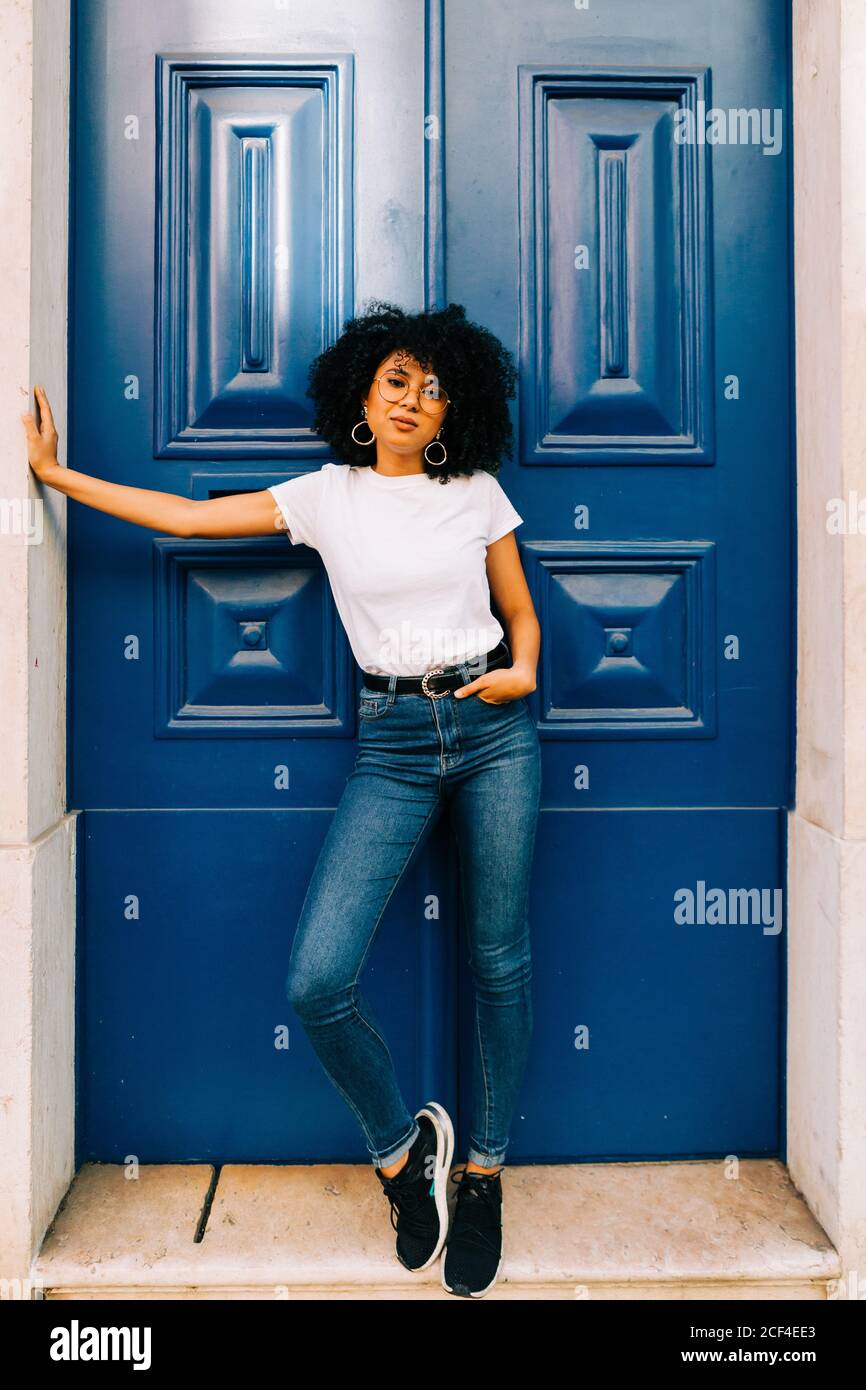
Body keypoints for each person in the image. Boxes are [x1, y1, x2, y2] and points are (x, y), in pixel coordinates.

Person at [21, 300, 542, 1299]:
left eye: (431, 390)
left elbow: (519, 615)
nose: (410, 400)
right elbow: (184, 517)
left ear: (451, 414)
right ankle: (402, 1158)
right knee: (316, 979)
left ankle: (483, 1175)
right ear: (361, 390)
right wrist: (54, 476)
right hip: (390, 743)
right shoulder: (326, 497)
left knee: (498, 961)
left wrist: (520, 669)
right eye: (395, 379)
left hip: (491, 733)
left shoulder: (475, 493)